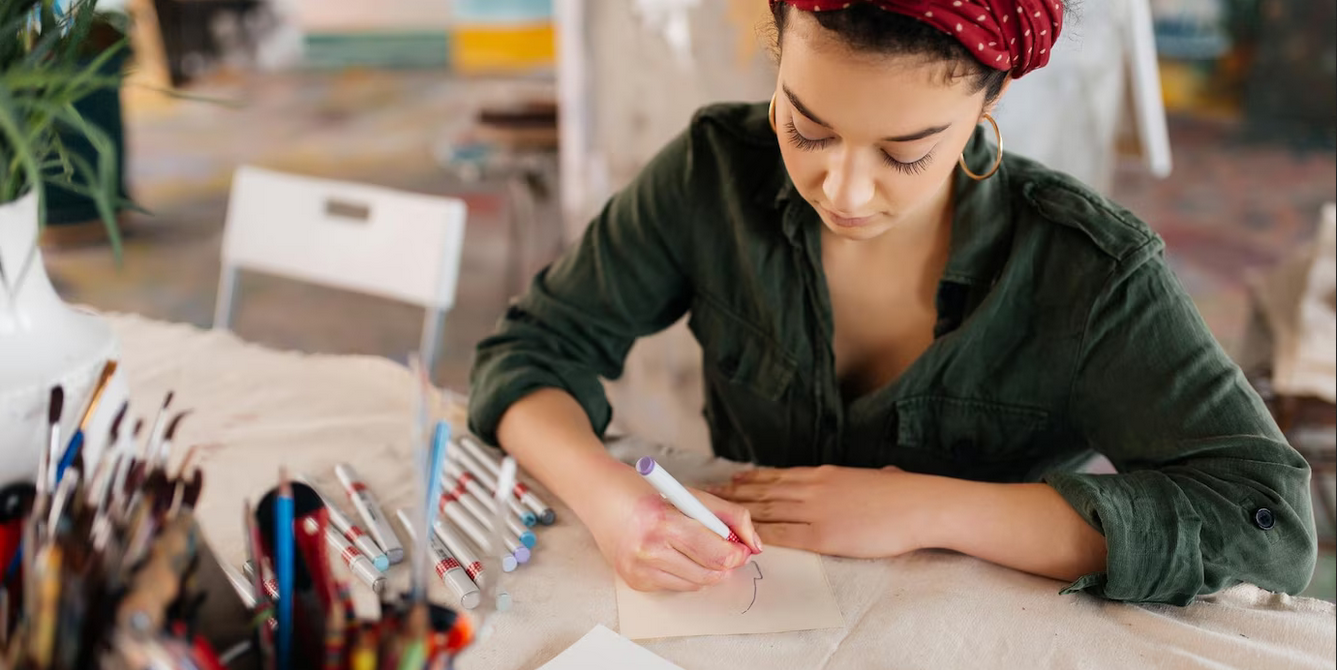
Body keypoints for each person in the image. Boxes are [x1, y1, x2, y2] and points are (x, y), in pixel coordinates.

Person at [467, 0, 1318, 605]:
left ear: (990, 101)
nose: (840, 188)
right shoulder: (714, 173)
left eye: (904, 154)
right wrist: (615, 502)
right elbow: (530, 354)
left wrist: (927, 506)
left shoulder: (1084, 271)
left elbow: (1265, 520)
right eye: (804, 127)